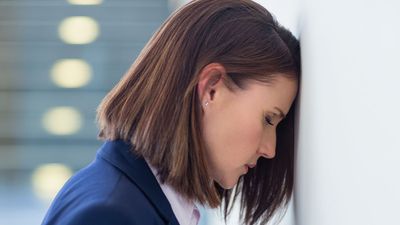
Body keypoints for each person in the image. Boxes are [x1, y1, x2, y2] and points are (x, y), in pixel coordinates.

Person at [41, 0, 300, 224]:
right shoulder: (109, 215)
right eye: (268, 119)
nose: (270, 149)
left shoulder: (135, 199)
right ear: (211, 88)